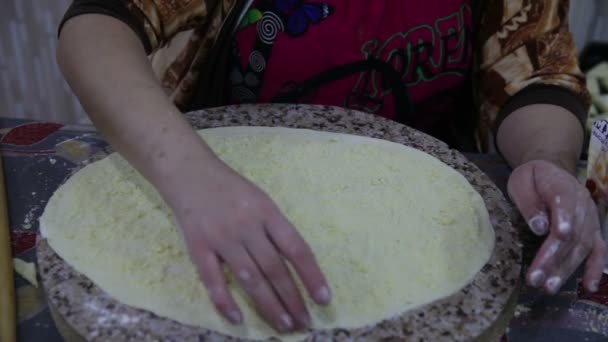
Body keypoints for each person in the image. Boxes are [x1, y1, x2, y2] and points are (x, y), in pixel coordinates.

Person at [57, 0, 606, 333]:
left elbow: (534, 72)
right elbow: (99, 26)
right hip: (210, 192)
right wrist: (191, 177)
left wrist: (546, 159)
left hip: (414, 222)